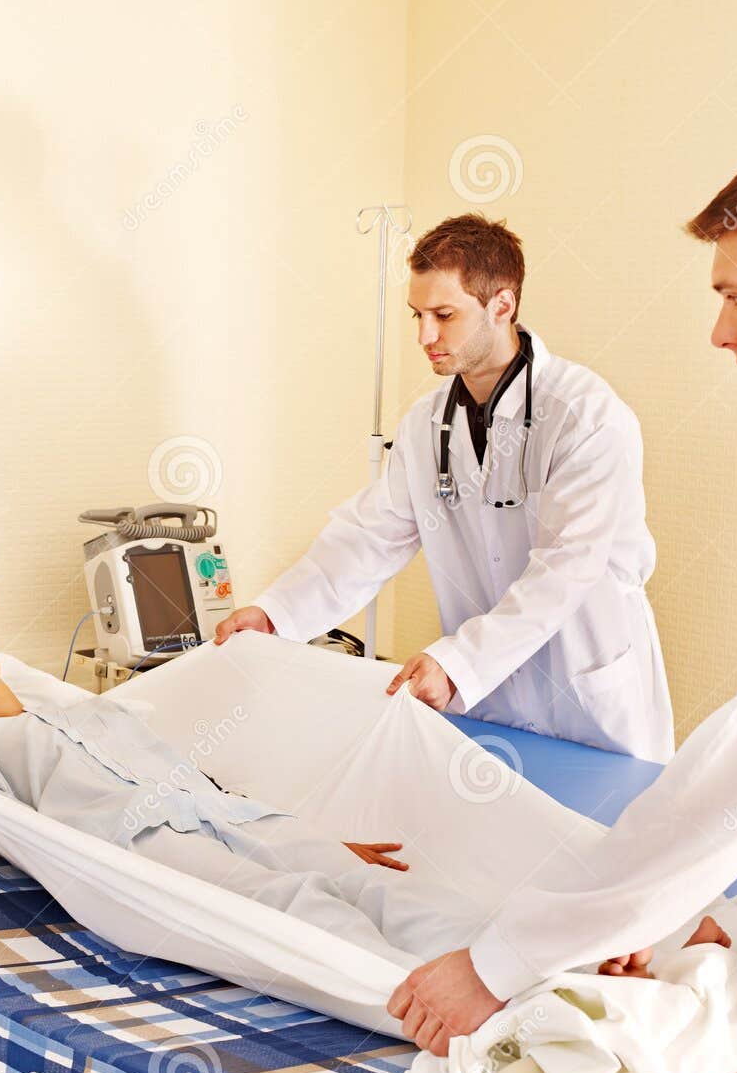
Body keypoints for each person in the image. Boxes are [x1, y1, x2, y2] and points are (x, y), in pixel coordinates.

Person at [388, 138, 737, 1073]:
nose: (719, 330)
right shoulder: (425, 426)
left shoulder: (585, 411)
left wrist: (501, 963)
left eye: (735, 296)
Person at [216, 214, 674, 761]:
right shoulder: (426, 424)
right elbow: (370, 537)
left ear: (501, 305)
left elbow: (568, 565)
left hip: (587, 694)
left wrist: (460, 662)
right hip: (489, 702)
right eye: (418, 315)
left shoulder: (585, 415)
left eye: (444, 315)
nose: (424, 336)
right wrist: (277, 614)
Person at [0, 607, 489, 964]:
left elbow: (188, 772)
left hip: (224, 811)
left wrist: (307, 839)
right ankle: (428, 995)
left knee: (366, 880)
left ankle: (508, 960)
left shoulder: (89, 707)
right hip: (143, 842)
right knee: (288, 903)